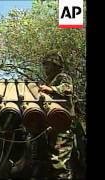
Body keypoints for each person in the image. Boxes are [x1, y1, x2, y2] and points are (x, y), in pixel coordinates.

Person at [38, 50, 75, 179]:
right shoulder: (50, 80)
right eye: (45, 65)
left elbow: (68, 88)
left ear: (55, 65)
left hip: (63, 126)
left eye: (48, 65)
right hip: (52, 125)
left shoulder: (62, 77)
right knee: (51, 161)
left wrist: (52, 89)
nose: (45, 68)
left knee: (60, 162)